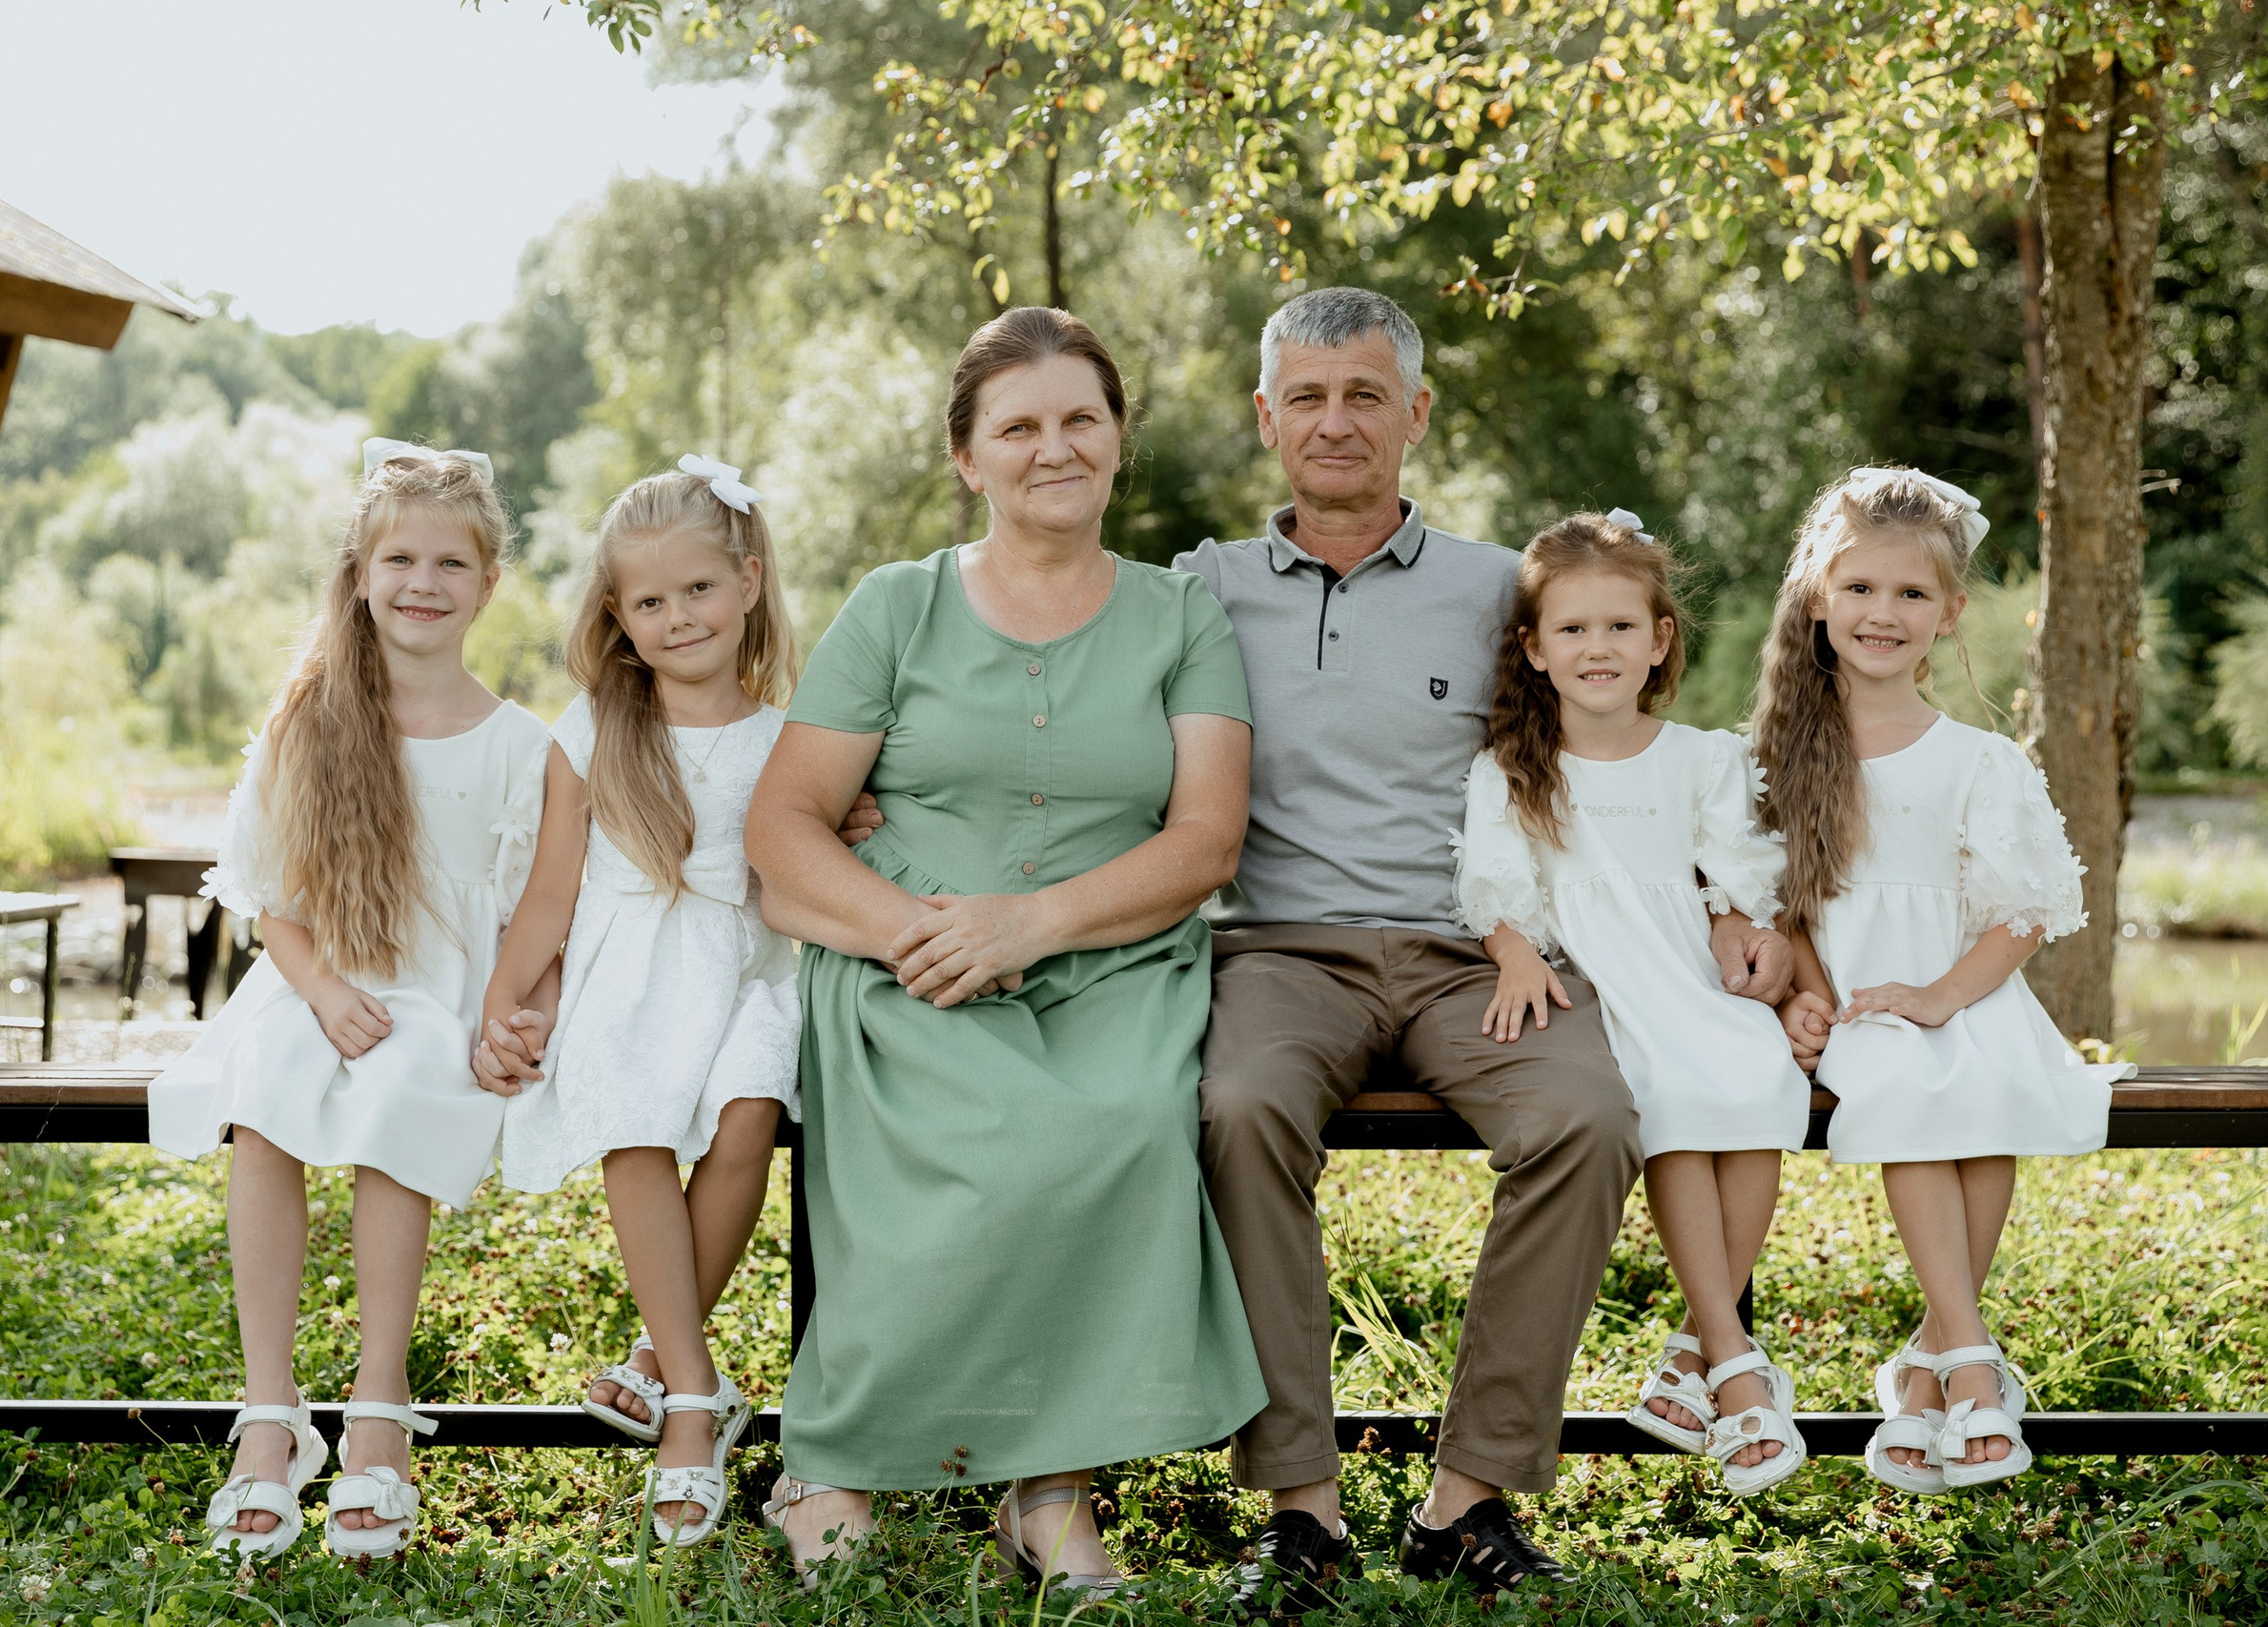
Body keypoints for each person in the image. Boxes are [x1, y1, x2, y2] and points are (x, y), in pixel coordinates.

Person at [1175, 287, 1791, 1606]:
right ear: (1267, 413)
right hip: (1283, 952)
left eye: (1364, 393)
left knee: (1585, 1110)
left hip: (1488, 951)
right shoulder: (1196, 589)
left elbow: (1628, 746)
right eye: (1309, 393)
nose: (1336, 420)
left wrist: (1734, 901)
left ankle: (1469, 1496)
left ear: (1416, 412)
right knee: (1234, 1103)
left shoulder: (1500, 585)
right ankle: (1303, 1506)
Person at [744, 305, 1267, 1596]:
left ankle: (1049, 1492)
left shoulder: (1178, 615)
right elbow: (784, 823)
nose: (1055, 446)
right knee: (991, 1141)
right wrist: (923, 933)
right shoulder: (897, 607)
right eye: (1018, 425)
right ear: (967, 457)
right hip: (906, 959)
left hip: (1114, 964)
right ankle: (828, 1460)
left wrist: (1028, 922)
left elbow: (1205, 839)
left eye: (1080, 417)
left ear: (1118, 441)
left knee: (1114, 1126)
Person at [149, 441, 553, 1559]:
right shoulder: (311, 719)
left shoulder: (524, 745)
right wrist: (321, 989)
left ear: (488, 582)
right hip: (316, 979)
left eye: (449, 564)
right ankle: (269, 1413)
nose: (423, 583)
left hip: (445, 994)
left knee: (406, 1088)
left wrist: (520, 1013)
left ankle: (378, 1408)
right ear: (361, 572)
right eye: (400, 559)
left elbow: (536, 909)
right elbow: (270, 893)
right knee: (266, 1098)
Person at [1757, 467, 2133, 1494]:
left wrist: (1942, 995)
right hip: (1854, 998)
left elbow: (2024, 912)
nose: (1884, 614)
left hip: (1963, 985)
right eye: (1862, 590)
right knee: (1908, 1080)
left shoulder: (1977, 759)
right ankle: (1966, 1362)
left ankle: (1935, 1362)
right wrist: (1805, 989)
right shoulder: (1780, 752)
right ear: (1819, 598)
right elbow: (1771, 905)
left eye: (1911, 595)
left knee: (1979, 1088)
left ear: (1950, 613)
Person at [1451, 510, 1812, 1497]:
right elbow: (1493, 885)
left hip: (1683, 971)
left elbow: (1737, 878)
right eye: (1570, 630)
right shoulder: (1514, 769)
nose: (1596, 648)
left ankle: (1696, 1353)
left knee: (1751, 1077)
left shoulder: (1702, 756)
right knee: (1669, 1099)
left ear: (1659, 641)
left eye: (1619, 627)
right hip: (1594, 985)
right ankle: (1733, 1371)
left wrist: (1746, 928)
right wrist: (1513, 952)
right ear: (1532, 648)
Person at [479, 458, 801, 1547]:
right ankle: (695, 1405)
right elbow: (547, 895)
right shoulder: (593, 731)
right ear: (617, 614)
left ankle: (658, 1364)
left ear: (749, 582)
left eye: (700, 590)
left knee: (749, 1108)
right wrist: (503, 1004)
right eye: (650, 601)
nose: (678, 617)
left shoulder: (787, 738)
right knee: (635, 1120)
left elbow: (803, 873)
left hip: (748, 966)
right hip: (628, 967)